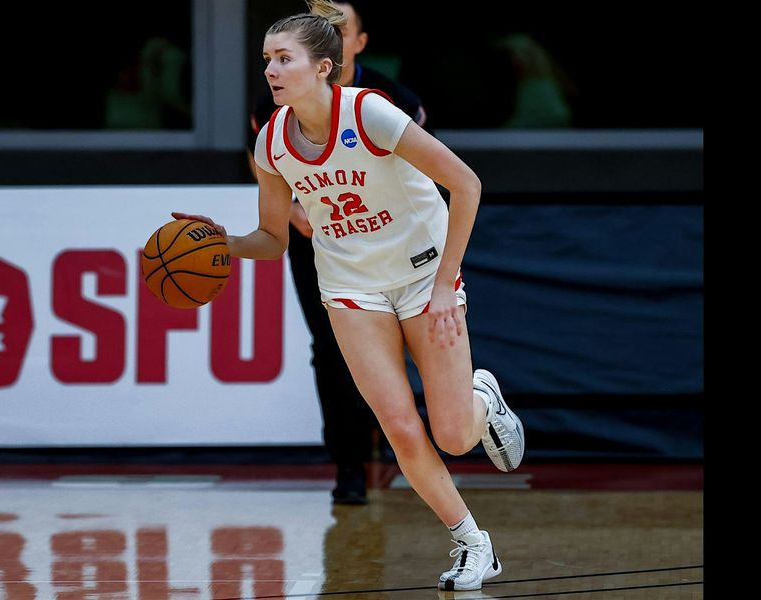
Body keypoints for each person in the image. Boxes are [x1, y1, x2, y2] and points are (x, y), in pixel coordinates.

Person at [174, 0, 525, 591]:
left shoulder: (371, 114)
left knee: (453, 436)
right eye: (267, 59)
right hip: (350, 286)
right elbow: (271, 238)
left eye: (284, 58)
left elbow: (467, 184)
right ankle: (472, 541)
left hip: (422, 274)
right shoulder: (272, 146)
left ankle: (481, 401)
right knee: (397, 425)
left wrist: (445, 286)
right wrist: (219, 243)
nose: (271, 70)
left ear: (324, 67)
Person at [247, 0, 432, 506]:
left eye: (339, 28)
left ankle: (403, 441)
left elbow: (423, 171)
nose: (273, 69)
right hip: (320, 246)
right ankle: (349, 465)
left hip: (388, 242)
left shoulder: (388, 99)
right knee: (330, 352)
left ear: (353, 45)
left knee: (405, 352)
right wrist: (291, 214)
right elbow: (266, 168)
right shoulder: (274, 106)